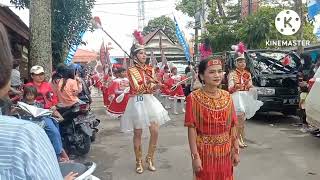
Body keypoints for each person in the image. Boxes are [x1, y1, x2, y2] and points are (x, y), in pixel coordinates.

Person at [0, 22, 77, 180]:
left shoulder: (48, 86)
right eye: (37, 75)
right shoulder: (27, 87)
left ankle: (58, 153)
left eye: (41, 74)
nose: (40, 77)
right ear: (32, 76)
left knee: (55, 129)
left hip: (44, 112)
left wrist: (52, 106)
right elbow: (22, 100)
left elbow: (52, 99)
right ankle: (58, 155)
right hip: (30, 115)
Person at [185, 58, 240, 180]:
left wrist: (235, 150)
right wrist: (195, 157)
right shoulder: (193, 98)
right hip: (205, 153)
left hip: (225, 152)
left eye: (220, 71)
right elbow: (192, 130)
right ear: (201, 76)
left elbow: (233, 125)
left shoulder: (227, 96)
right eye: (212, 72)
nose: (217, 75)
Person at [120, 42, 170, 174]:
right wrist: (149, 82)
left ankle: (150, 158)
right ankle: (138, 161)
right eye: (141, 53)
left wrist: (159, 86)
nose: (144, 55)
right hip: (137, 102)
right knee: (138, 133)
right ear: (135, 56)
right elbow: (137, 89)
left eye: (145, 53)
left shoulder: (150, 69)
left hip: (149, 101)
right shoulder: (131, 71)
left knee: (155, 131)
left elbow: (152, 89)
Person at [228, 53, 262, 148]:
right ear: (235, 63)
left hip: (245, 97)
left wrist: (253, 87)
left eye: (243, 61)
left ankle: (240, 138)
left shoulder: (248, 74)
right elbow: (230, 88)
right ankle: (236, 139)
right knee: (239, 120)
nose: (242, 63)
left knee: (242, 121)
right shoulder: (232, 74)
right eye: (239, 62)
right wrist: (236, 86)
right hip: (236, 97)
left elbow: (250, 86)